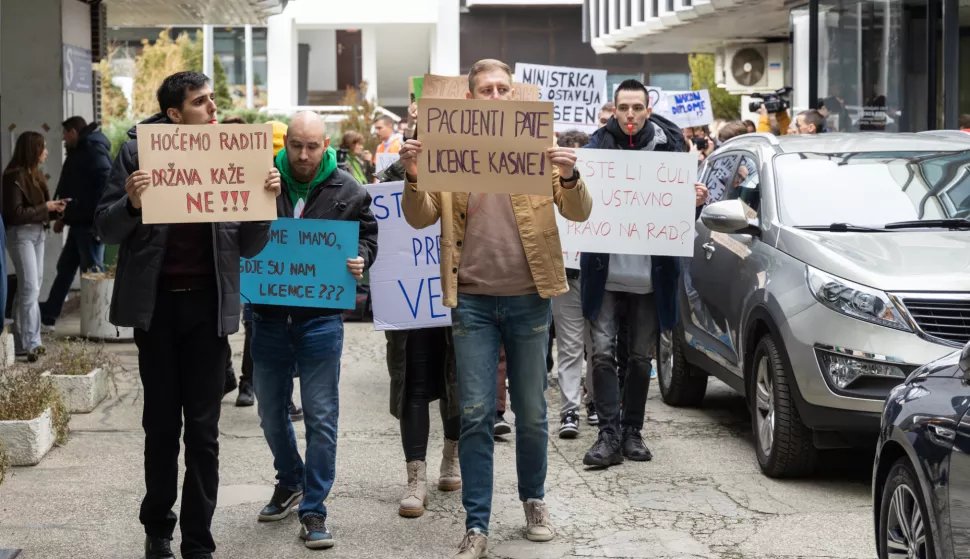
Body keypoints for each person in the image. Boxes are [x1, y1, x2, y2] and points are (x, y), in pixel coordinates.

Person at [398, 58, 593, 559]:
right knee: (477, 413)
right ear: (469, 100)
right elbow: (419, 219)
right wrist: (414, 175)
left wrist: (570, 176)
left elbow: (578, 211)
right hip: (474, 304)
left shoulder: (537, 148)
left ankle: (534, 501)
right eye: (485, 90)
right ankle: (477, 524)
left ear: (514, 95)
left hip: (531, 300)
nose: (496, 97)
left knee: (531, 412)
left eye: (503, 89)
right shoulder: (448, 154)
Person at [95, 71, 280, 559]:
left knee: (203, 432)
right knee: (160, 427)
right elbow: (105, 228)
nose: (213, 109)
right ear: (174, 114)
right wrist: (132, 204)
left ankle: (199, 541)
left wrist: (265, 202)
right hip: (155, 311)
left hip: (208, 308)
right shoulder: (136, 152)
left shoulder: (234, 153)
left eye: (214, 99)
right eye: (201, 102)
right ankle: (158, 529)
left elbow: (251, 245)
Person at [250, 111, 378, 550]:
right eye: (296, 145)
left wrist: (363, 258)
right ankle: (290, 479)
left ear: (327, 145)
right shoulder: (262, 180)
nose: (303, 155)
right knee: (270, 412)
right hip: (267, 317)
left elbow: (368, 236)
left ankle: (314, 507)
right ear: (286, 143)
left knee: (321, 418)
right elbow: (238, 235)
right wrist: (257, 200)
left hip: (321, 320)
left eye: (312, 146)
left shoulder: (350, 189)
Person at [579, 79, 708, 469]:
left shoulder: (671, 150)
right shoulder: (594, 151)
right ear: (614, 110)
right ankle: (608, 433)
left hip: (651, 278)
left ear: (648, 110)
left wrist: (695, 203)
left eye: (637, 108)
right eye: (623, 108)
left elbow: (677, 218)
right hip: (605, 273)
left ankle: (632, 430)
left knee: (639, 358)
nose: (630, 115)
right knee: (601, 354)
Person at [39, 117, 110, 331]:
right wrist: (65, 217)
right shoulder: (82, 149)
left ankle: (100, 322)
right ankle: (49, 316)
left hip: (88, 224)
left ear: (73, 132)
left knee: (93, 272)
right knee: (66, 267)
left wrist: (92, 216)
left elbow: (103, 186)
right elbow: (76, 186)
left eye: (65, 134)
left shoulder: (92, 150)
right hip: (79, 221)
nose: (63, 138)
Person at [2, 132, 65, 361]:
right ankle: (33, 343)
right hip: (21, 235)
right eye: (42, 147)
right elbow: (15, 214)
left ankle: (21, 341)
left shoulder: (34, 174)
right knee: (29, 288)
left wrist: (53, 208)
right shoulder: (13, 176)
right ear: (32, 150)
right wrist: (46, 207)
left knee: (30, 287)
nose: (46, 152)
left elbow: (36, 207)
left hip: (37, 233)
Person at [550, 129, 596, 438]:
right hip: (565, 274)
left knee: (599, 346)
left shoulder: (601, 182)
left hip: (597, 275)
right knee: (568, 347)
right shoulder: (551, 186)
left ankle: (594, 401)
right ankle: (569, 408)